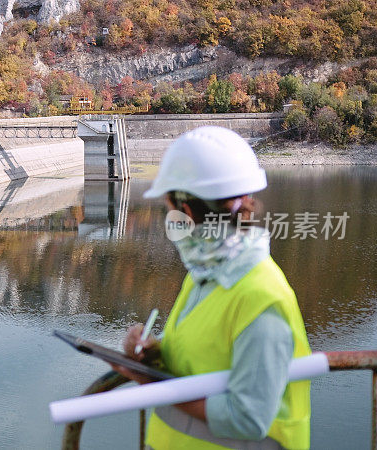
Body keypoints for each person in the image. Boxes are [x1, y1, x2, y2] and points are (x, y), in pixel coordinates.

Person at [116, 126, 311, 449]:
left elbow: (249, 417)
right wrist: (155, 354)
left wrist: (153, 384)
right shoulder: (205, 273)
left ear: (186, 211)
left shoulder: (262, 297)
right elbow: (207, 356)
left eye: (168, 205)